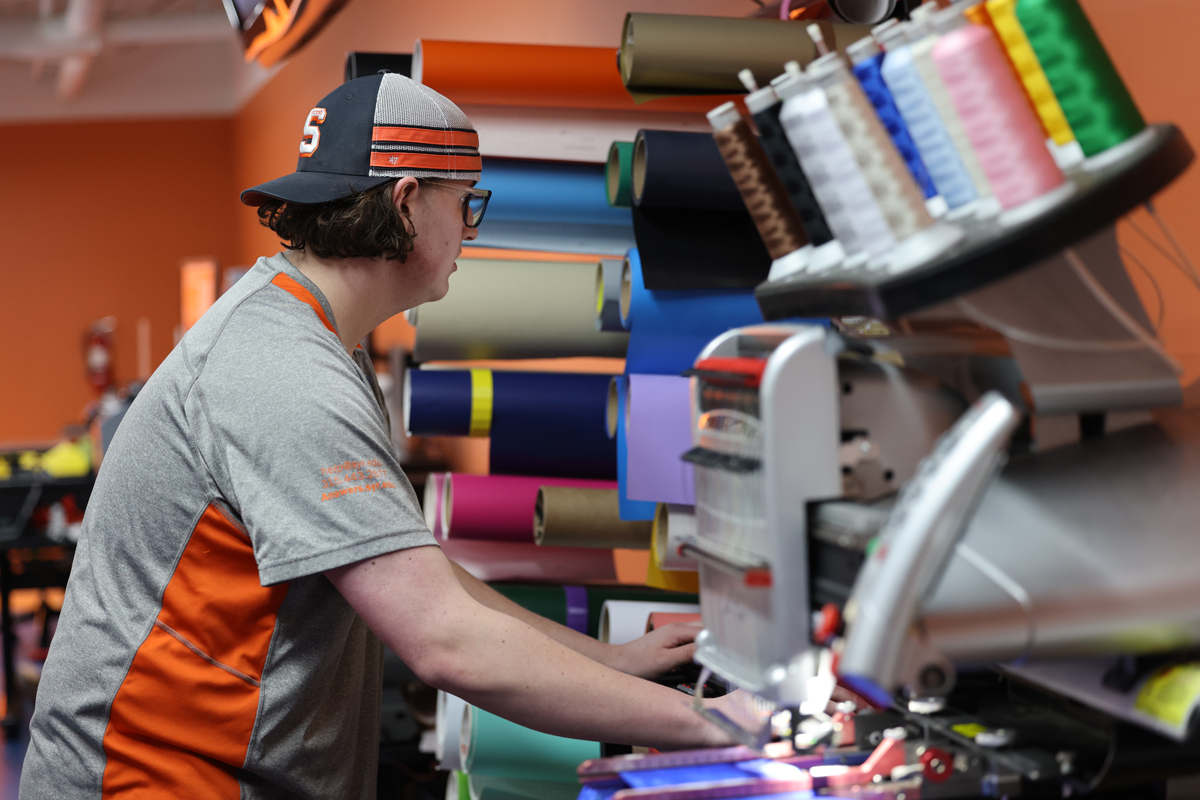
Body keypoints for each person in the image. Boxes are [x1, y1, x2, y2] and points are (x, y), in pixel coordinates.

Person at [20, 73, 733, 799]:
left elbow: (405, 571)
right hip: (153, 781)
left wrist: (606, 661)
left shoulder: (315, 336)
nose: (470, 234)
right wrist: (717, 725)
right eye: (467, 205)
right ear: (407, 202)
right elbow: (445, 640)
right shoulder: (285, 371)